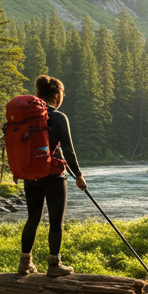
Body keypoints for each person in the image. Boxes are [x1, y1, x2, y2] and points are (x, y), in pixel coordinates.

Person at [18, 75, 87, 277]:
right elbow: (68, 150)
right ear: (57, 95)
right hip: (54, 175)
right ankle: (54, 265)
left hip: (31, 175)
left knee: (33, 218)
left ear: (39, 94)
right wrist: (79, 176)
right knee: (56, 222)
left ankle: (24, 263)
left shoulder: (27, 116)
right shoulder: (58, 117)